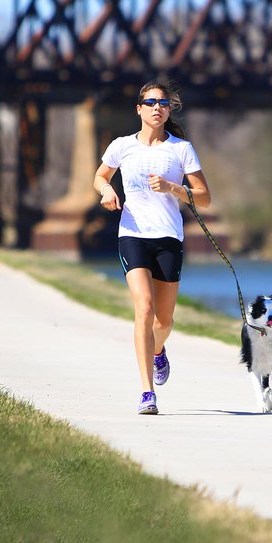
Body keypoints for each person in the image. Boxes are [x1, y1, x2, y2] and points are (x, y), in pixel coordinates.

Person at [93, 80, 211, 415]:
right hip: (132, 234)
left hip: (168, 238)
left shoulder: (180, 149)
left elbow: (204, 196)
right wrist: (106, 191)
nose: (157, 107)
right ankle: (147, 393)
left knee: (164, 321)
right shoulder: (121, 146)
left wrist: (174, 187)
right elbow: (100, 176)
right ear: (139, 109)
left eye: (163, 103)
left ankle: (158, 351)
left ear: (168, 109)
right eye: (151, 102)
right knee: (143, 308)